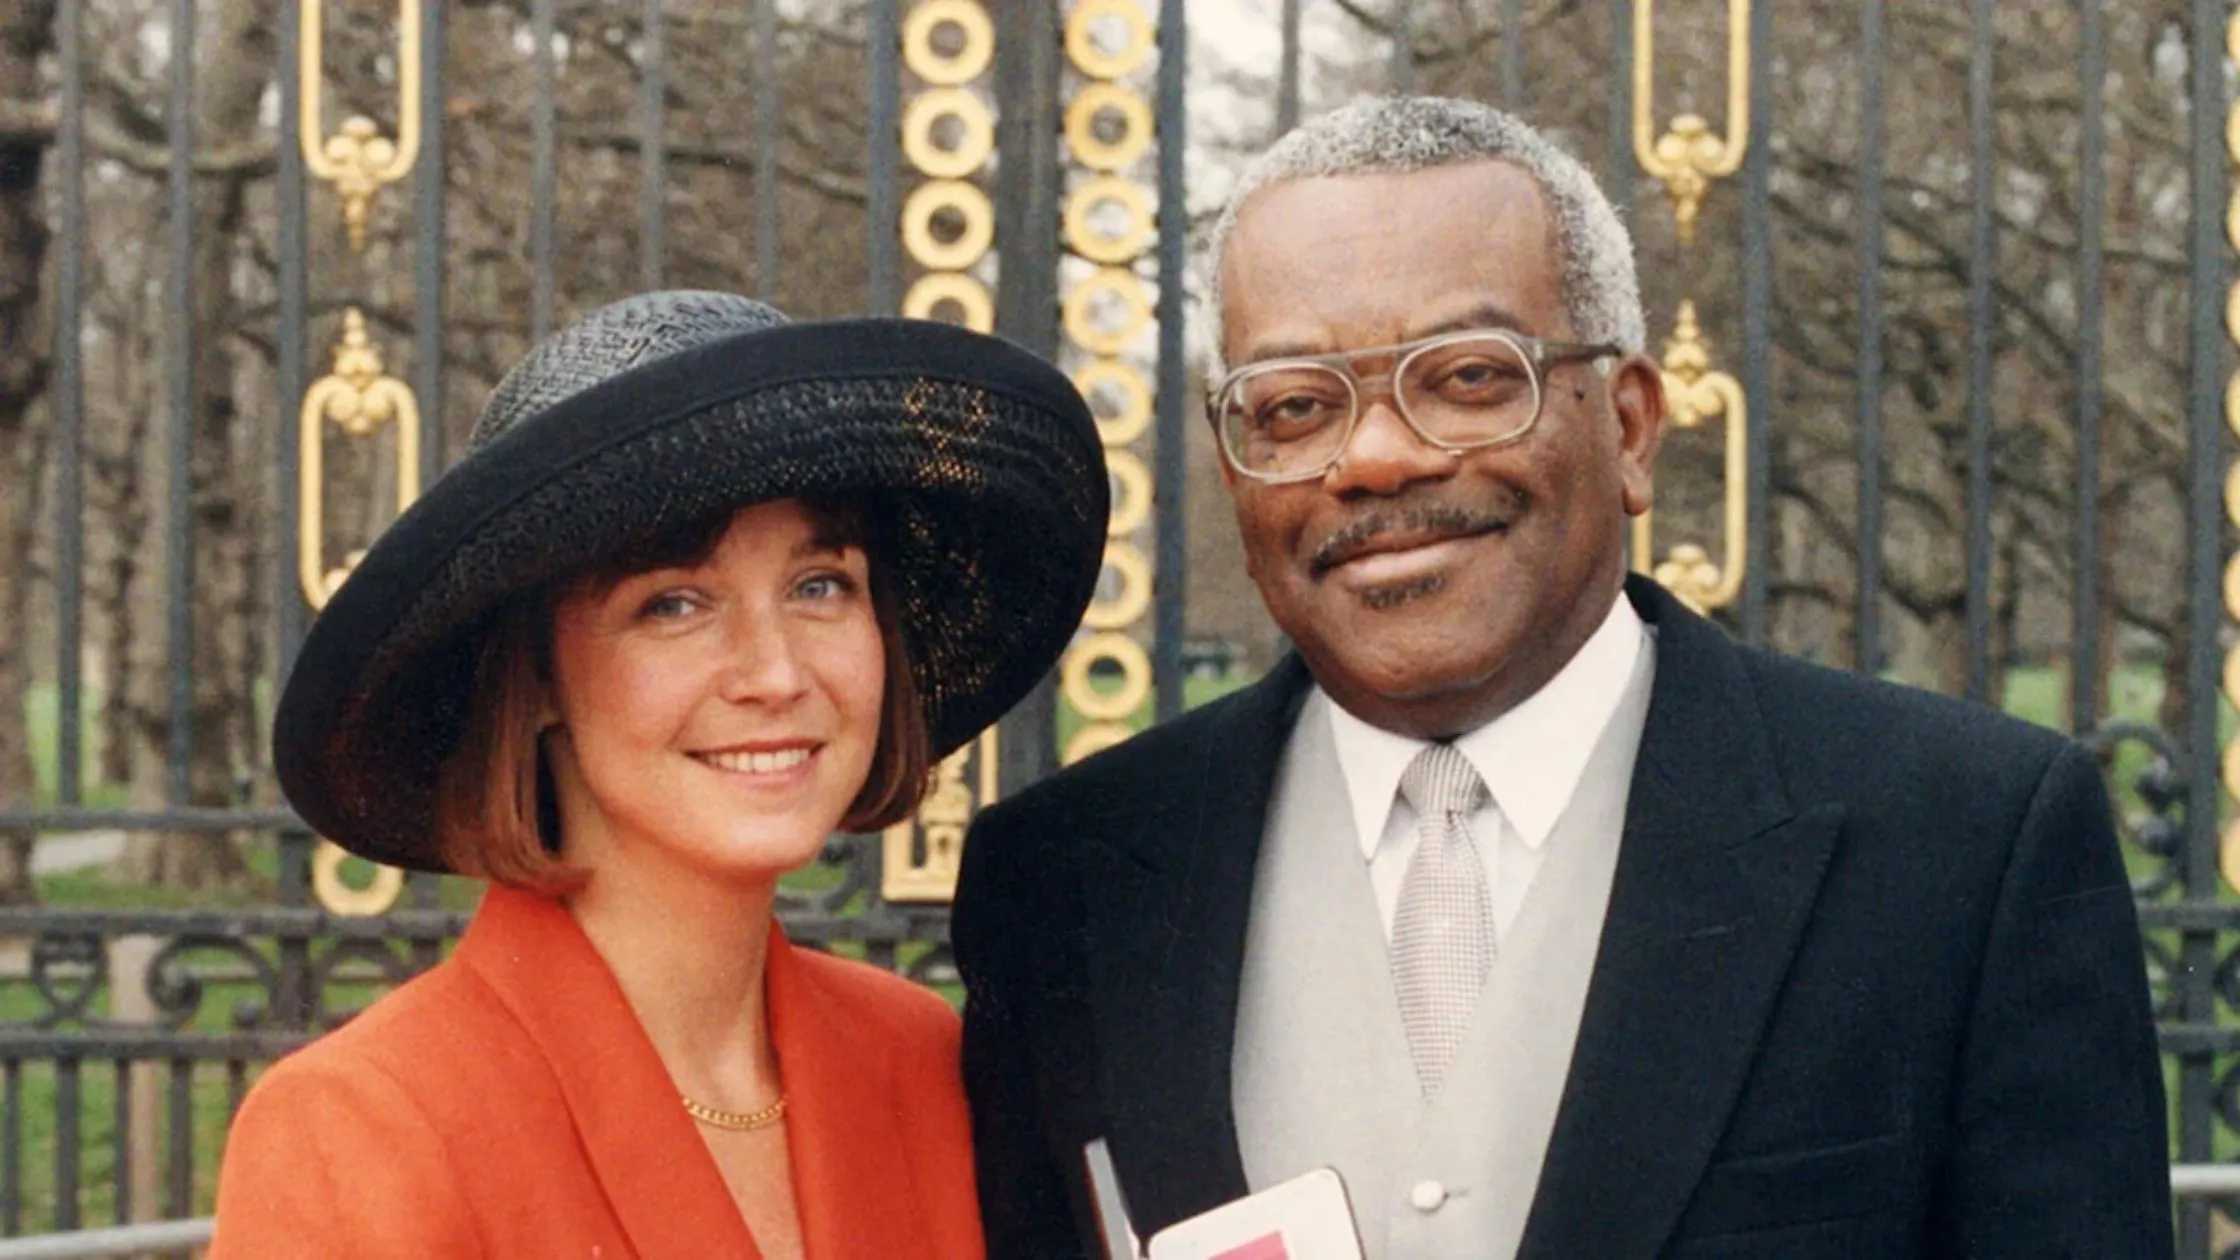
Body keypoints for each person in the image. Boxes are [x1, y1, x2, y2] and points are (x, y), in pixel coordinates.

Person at [952, 96, 2172, 1260]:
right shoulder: (1062, 886)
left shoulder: (1963, 846)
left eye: (1468, 377)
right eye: (1291, 406)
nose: (1372, 457)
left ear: (1631, 425)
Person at [209, 291, 1108, 1259]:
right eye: (674, 604)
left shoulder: (913, 1055)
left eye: (819, 586)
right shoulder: (366, 1125)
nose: (774, 674)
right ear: (539, 677)